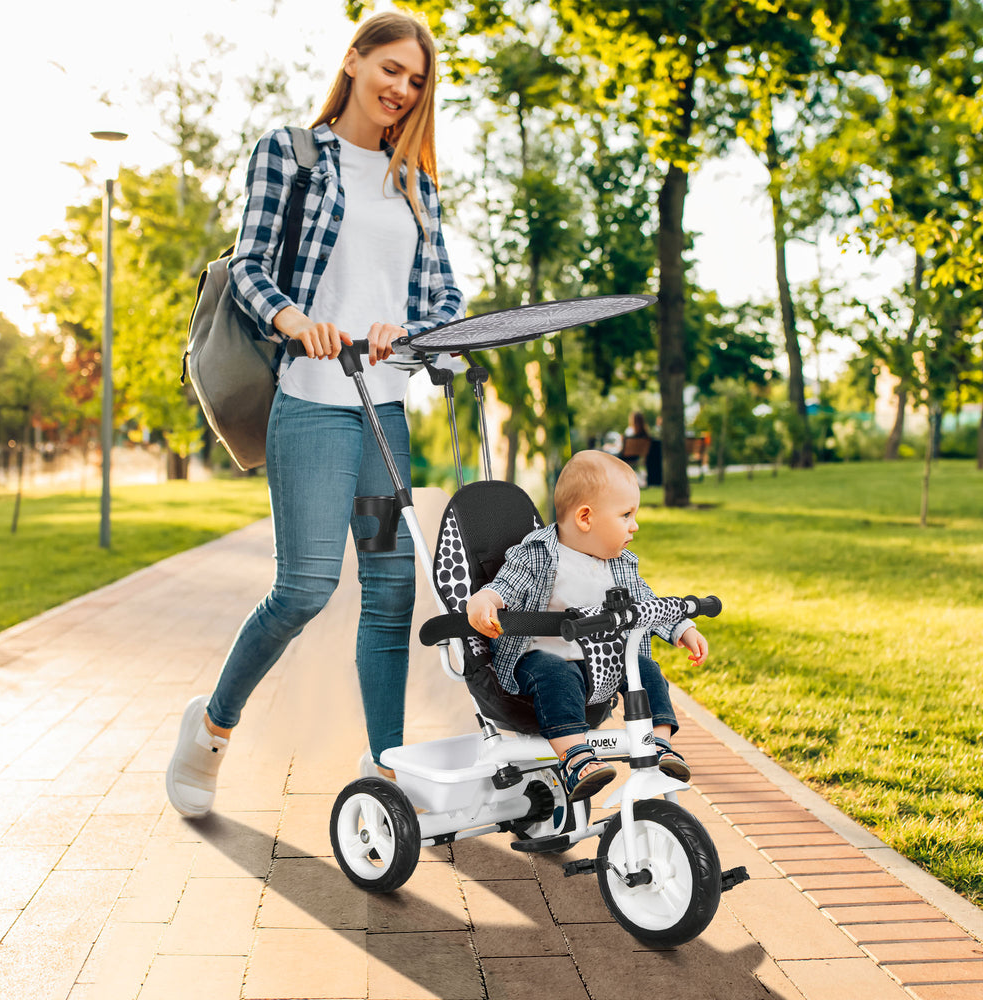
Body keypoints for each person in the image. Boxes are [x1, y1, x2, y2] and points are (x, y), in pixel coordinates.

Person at [166, 10, 464, 818]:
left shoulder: (416, 184)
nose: (402, 89)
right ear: (354, 60)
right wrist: (296, 320)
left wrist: (413, 331)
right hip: (311, 404)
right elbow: (250, 265)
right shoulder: (291, 154)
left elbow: (445, 296)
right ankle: (212, 728)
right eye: (391, 68)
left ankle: (386, 767)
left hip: (383, 415)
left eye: (416, 80)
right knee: (303, 588)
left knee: (391, 594)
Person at [466, 451, 708, 802]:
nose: (635, 526)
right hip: (542, 661)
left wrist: (681, 628)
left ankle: (659, 745)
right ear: (585, 518)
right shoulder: (537, 555)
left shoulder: (619, 564)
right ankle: (575, 757)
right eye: (626, 515)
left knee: (646, 670)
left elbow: (647, 602)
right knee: (555, 673)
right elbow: (505, 586)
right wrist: (484, 601)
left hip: (602, 665)